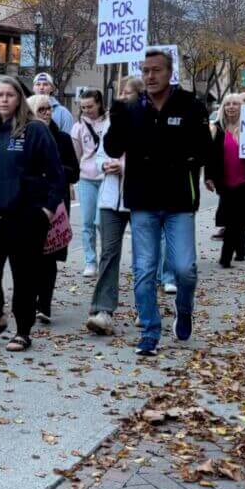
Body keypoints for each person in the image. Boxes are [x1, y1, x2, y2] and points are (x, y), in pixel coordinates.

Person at [103, 48, 211, 356]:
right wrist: (116, 116)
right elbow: (112, 148)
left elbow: (204, 149)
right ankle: (150, 330)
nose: (150, 76)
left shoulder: (190, 105)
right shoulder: (132, 109)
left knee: (185, 268)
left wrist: (183, 159)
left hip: (178, 201)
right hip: (143, 200)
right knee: (144, 270)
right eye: (145, 70)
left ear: (169, 72)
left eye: (156, 70)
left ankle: (184, 308)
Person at [0, 76, 66, 352]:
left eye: (11, 95)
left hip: (26, 215)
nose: (5, 99)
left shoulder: (34, 130)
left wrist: (46, 209)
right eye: (0, 95)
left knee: (24, 275)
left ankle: (23, 330)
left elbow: (56, 175)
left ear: (19, 99)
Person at [86, 78, 142, 336]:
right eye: (120, 91)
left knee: (144, 256)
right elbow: (99, 155)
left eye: (127, 91)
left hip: (140, 199)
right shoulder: (111, 122)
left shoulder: (149, 120)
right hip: (110, 199)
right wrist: (104, 166)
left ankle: (145, 307)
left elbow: (156, 161)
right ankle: (102, 310)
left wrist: (126, 168)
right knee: (109, 253)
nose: (122, 95)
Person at [29, 93, 81, 325]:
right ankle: (29, 301)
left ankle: (45, 304)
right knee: (29, 256)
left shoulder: (62, 138)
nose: (47, 113)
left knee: (48, 257)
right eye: (41, 109)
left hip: (54, 205)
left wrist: (55, 168)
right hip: (28, 205)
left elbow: (74, 173)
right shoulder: (23, 137)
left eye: (49, 108)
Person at [204, 93, 245, 268]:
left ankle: (225, 256)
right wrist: (208, 176)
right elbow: (211, 156)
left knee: (235, 220)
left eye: (235, 104)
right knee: (233, 219)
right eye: (227, 104)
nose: (231, 107)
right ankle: (241, 248)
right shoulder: (217, 129)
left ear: (242, 107)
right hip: (225, 181)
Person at [70, 89, 109, 277]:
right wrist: (71, 180)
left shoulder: (111, 121)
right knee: (87, 222)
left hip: (107, 179)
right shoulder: (78, 126)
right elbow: (76, 154)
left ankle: (105, 258)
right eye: (83, 107)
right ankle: (90, 260)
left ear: (99, 103)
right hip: (86, 179)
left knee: (102, 222)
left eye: (90, 106)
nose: (87, 110)